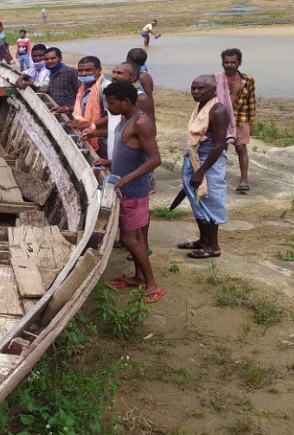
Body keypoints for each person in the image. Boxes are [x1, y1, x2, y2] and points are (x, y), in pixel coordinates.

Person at [95, 81, 163, 303]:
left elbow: (154, 159)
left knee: (130, 239)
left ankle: (151, 284)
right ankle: (138, 277)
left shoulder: (141, 122)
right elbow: (131, 152)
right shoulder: (125, 119)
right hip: (126, 186)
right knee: (134, 237)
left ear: (126, 102)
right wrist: (111, 161)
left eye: (112, 103)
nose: (108, 107)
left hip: (133, 191)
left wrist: (127, 178)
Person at [177, 75, 230, 259]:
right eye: (193, 88)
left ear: (214, 91)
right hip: (195, 157)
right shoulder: (200, 107)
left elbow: (220, 144)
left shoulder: (217, 110)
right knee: (196, 200)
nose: (196, 92)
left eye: (201, 89)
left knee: (211, 201)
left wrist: (201, 171)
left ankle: (213, 246)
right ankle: (203, 240)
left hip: (209, 161)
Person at [220, 48, 256, 193]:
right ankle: (219, 177)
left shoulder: (247, 80)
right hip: (221, 120)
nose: (229, 65)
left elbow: (251, 101)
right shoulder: (217, 78)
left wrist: (251, 121)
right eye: (226, 62)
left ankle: (244, 179)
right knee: (221, 149)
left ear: (239, 63)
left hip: (241, 118)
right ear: (222, 63)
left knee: (241, 148)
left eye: (232, 62)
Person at [66, 56, 111, 156]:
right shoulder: (83, 86)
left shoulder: (105, 88)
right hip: (86, 133)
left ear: (99, 70)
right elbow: (84, 107)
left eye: (88, 70)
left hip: (102, 138)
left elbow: (112, 115)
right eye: (80, 71)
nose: (83, 73)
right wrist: (67, 109)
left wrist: (90, 125)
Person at [111, 61, 155, 126]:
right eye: (113, 72)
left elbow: (151, 128)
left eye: (119, 73)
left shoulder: (141, 99)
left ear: (133, 78)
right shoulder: (113, 95)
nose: (114, 76)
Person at [45, 47, 79, 113]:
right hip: (57, 111)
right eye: (46, 59)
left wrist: (68, 108)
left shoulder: (71, 72)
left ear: (60, 58)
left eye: (53, 58)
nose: (49, 61)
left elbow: (82, 95)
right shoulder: (51, 73)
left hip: (71, 113)